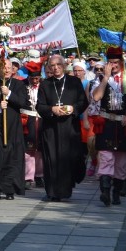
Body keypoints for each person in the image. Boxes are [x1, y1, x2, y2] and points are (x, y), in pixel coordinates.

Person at [36, 54, 89, 201]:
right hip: (51, 127)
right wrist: (51, 109)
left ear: (64, 65)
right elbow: (39, 105)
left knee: (69, 157)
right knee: (51, 159)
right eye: (52, 65)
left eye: (58, 64)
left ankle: (66, 187)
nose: (56, 67)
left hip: (69, 127)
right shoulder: (45, 84)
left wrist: (73, 109)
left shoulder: (74, 82)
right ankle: (52, 191)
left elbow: (83, 101)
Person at [91, 47, 126, 207]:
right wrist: (105, 77)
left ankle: (116, 193)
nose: (113, 65)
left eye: (116, 62)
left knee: (121, 162)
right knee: (105, 157)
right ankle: (105, 192)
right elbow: (96, 97)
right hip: (107, 122)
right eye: (110, 62)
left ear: (122, 63)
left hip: (123, 123)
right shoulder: (101, 78)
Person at [0, 59, 29, 201]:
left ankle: (9, 189)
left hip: (13, 126)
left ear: (13, 69)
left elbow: (23, 102)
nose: (7, 70)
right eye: (4, 67)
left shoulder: (19, 85)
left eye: (9, 67)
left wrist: (9, 94)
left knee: (11, 157)